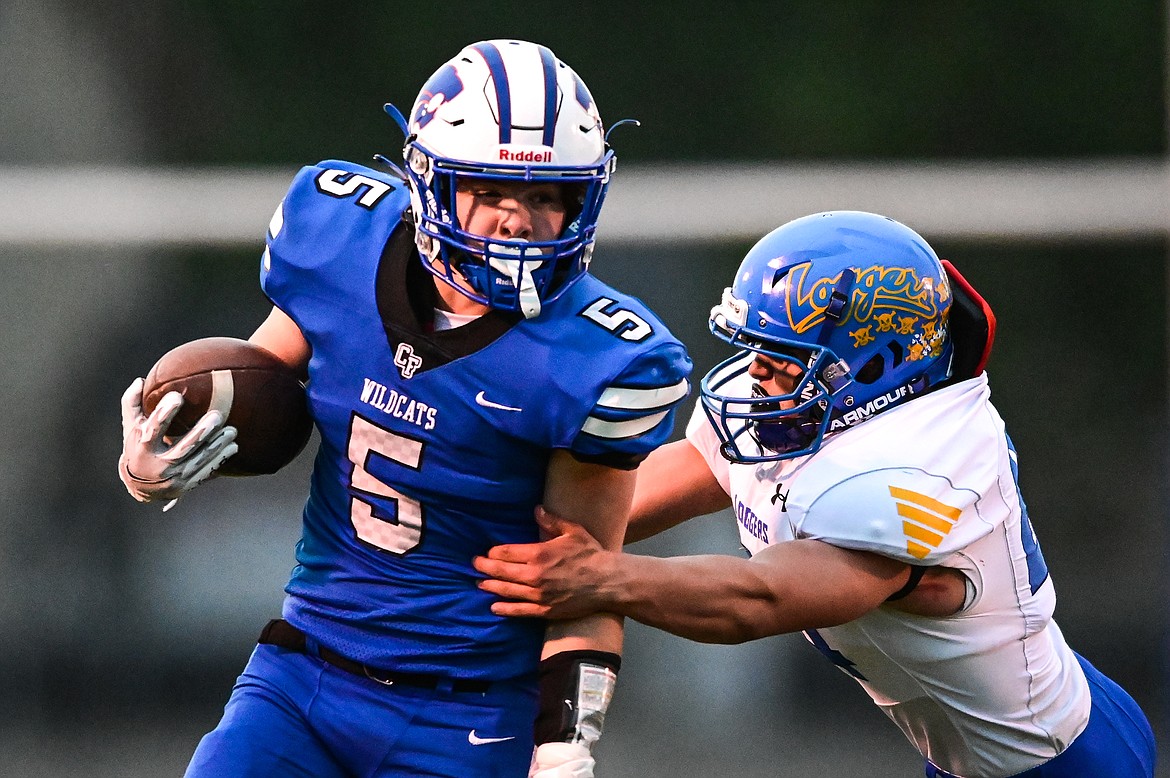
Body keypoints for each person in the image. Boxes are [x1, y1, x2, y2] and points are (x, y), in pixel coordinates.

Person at [117, 39, 691, 778]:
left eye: (546, 197)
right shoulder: (338, 246)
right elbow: (252, 382)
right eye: (490, 191)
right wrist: (155, 458)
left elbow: (585, 580)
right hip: (304, 676)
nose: (517, 221)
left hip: (471, 712)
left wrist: (564, 748)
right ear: (431, 183)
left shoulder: (600, 361)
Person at [475, 211, 1157, 778]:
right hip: (969, 754)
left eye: (784, 358)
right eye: (758, 349)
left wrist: (600, 579)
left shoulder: (914, 470)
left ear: (874, 361)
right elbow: (689, 472)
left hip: (1057, 762)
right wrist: (523, 525)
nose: (756, 373)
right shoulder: (830, 406)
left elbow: (759, 599)